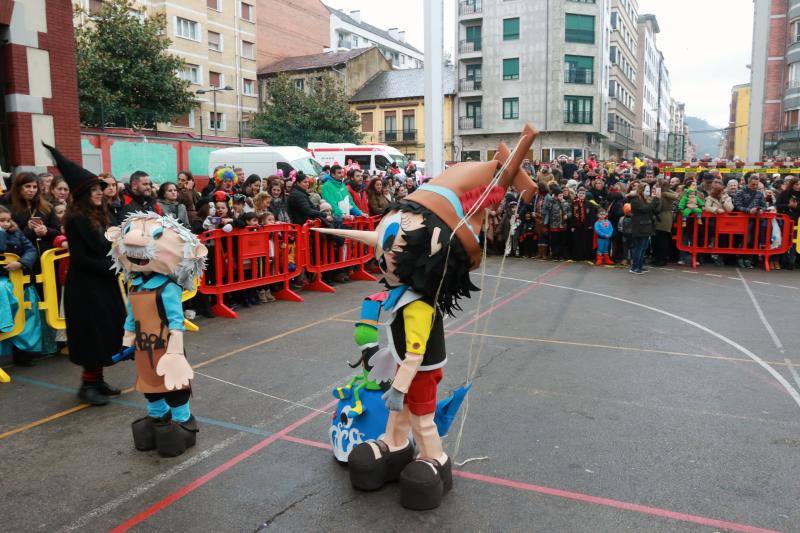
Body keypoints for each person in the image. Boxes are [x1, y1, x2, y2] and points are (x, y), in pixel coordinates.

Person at [107, 212, 207, 457]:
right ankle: (157, 417)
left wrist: (175, 351)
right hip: (144, 346)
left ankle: (182, 421)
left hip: (166, 345)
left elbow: (176, 321)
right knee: (149, 384)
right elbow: (131, 318)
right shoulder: (136, 285)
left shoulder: (168, 286)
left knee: (174, 386)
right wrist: (126, 343)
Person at [43, 143, 126, 405]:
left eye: (99, 189)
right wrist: (113, 266)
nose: (99, 193)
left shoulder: (102, 215)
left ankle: (97, 379)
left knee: (106, 331)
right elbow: (81, 258)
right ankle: (87, 385)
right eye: (93, 190)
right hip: (87, 287)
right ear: (82, 194)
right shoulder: (77, 218)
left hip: (104, 283)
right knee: (92, 334)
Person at [2, 172, 60, 258]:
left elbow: (58, 231)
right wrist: (28, 229)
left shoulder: (47, 207)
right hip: (22, 257)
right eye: (27, 186)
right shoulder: (8, 209)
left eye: (35, 187)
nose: (32, 190)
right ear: (19, 188)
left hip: (46, 257)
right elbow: (9, 238)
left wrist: (46, 231)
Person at [629, 182, 660, 274]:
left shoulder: (645, 199)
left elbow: (652, 209)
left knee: (643, 247)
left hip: (646, 225)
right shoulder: (635, 199)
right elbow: (643, 209)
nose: (648, 192)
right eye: (646, 190)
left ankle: (640, 266)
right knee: (639, 247)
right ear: (641, 190)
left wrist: (657, 200)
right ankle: (635, 267)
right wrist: (654, 202)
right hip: (639, 226)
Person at [652, 178, 677, 266]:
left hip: (663, 217)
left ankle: (661, 259)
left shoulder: (664, 194)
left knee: (662, 240)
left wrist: (663, 193)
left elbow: (658, 206)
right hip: (664, 216)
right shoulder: (666, 193)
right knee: (660, 239)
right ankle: (659, 258)